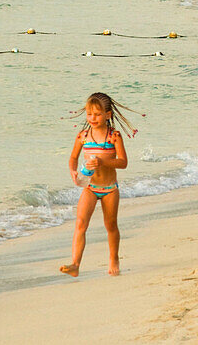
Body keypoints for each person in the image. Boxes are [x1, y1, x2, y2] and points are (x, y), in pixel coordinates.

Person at [61, 92, 137, 277]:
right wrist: (72, 170)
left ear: (108, 115)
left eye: (97, 114)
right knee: (80, 223)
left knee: (110, 225)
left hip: (110, 188)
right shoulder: (83, 136)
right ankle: (75, 264)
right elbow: (73, 158)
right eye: (89, 114)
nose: (92, 118)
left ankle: (114, 258)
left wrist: (103, 162)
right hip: (90, 187)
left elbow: (123, 162)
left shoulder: (114, 136)